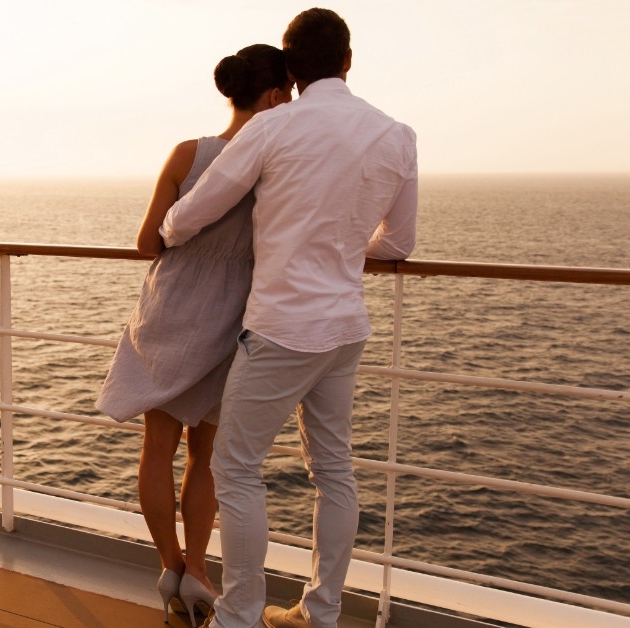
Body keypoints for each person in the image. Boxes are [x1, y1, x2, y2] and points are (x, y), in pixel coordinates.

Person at [160, 8, 417, 628]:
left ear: (292, 70)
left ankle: (238, 617)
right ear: (348, 61)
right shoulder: (396, 134)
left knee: (235, 470)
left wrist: (168, 230)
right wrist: (340, 247)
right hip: (345, 328)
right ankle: (319, 614)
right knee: (334, 472)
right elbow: (398, 243)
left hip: (281, 329)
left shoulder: (275, 126)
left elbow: (195, 210)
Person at [96, 44, 293, 626]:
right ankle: (200, 572)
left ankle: (170, 566)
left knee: (156, 448)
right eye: (289, 94)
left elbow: (146, 243)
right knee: (205, 456)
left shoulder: (189, 153)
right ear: (275, 96)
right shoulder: (275, 164)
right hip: (232, 319)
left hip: (169, 311)